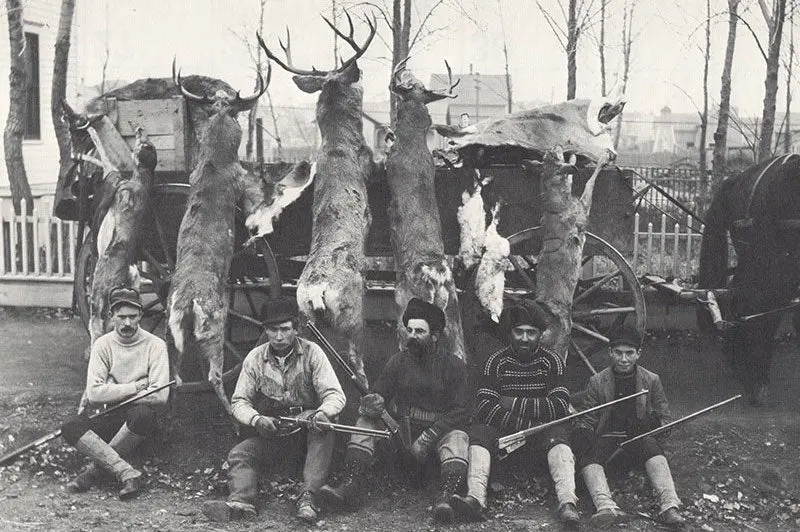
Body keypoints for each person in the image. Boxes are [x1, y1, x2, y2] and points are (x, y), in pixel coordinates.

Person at [319, 297, 471, 523]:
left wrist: (429, 436)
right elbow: (380, 392)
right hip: (401, 437)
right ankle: (350, 486)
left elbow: (461, 411)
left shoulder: (454, 365)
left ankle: (447, 497)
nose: (412, 336)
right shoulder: (398, 361)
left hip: (438, 439)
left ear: (435, 336)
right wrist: (373, 402)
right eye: (409, 330)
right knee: (365, 423)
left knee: (458, 437)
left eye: (420, 331)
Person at [202, 296, 346, 524]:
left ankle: (309, 498)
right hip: (274, 434)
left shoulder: (313, 353)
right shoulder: (255, 359)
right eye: (272, 330)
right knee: (240, 454)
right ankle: (241, 503)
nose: (279, 336)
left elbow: (335, 394)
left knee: (324, 429)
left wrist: (323, 412)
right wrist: (257, 419)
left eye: (285, 329)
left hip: (307, 435)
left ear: (296, 329)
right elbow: (239, 401)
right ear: (265, 331)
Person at [450, 300, 582, 527]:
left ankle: (568, 502)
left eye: (531, 333)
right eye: (519, 332)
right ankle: (475, 499)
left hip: (543, 435)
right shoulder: (496, 361)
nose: (524, 338)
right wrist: (522, 422)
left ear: (541, 334)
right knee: (479, 433)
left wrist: (511, 402)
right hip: (505, 435)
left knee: (559, 438)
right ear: (510, 333)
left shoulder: (552, 362)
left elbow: (559, 405)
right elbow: (485, 406)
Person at [61, 286, 170, 500]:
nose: (127, 323)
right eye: (121, 317)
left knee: (143, 415)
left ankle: (93, 473)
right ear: (112, 316)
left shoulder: (155, 345)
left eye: (132, 316)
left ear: (140, 315)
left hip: (139, 423)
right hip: (111, 415)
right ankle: (125, 471)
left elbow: (159, 396)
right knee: (70, 426)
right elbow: (94, 394)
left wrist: (111, 389)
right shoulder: (102, 345)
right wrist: (137, 387)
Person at [570, 327, 685, 528]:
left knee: (651, 445)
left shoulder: (651, 380)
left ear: (638, 353)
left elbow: (666, 419)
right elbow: (586, 418)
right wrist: (584, 433)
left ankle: (670, 506)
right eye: (618, 353)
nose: (624, 359)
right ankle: (605, 506)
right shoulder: (597, 381)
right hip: (607, 441)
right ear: (610, 353)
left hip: (638, 441)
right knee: (587, 451)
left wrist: (651, 424)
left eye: (629, 353)